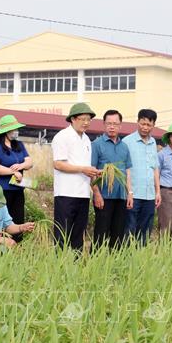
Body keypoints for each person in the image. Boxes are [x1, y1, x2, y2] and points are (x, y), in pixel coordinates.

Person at [51, 103, 100, 252]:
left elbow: (86, 166)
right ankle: (59, 265)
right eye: (82, 119)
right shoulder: (62, 136)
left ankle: (76, 267)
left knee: (78, 234)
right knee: (62, 234)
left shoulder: (86, 139)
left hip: (83, 194)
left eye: (89, 119)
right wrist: (83, 169)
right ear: (73, 119)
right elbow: (58, 164)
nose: (86, 122)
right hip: (65, 193)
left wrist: (93, 173)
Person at [0, 115, 33, 242]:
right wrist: (12, 172)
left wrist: (20, 166)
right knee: (0, 220)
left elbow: (29, 162)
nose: (16, 131)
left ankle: (16, 247)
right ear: (5, 131)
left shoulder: (19, 145)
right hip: (0, 191)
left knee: (17, 218)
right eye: (13, 129)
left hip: (17, 190)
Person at [91, 110, 133, 250]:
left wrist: (129, 193)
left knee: (118, 235)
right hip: (104, 197)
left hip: (121, 196)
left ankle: (114, 265)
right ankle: (95, 264)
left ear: (120, 126)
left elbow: (127, 171)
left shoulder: (124, 146)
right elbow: (92, 171)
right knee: (101, 234)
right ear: (104, 124)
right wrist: (96, 194)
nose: (112, 126)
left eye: (115, 124)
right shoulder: (97, 144)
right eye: (109, 123)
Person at [124, 109, 161, 245]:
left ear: (153, 125)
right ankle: (126, 260)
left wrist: (157, 192)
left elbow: (155, 169)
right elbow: (125, 169)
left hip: (149, 196)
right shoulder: (127, 142)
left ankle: (140, 260)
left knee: (145, 232)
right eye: (142, 123)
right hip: (133, 195)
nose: (145, 127)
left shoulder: (153, 144)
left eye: (148, 125)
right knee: (129, 230)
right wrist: (129, 192)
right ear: (137, 122)